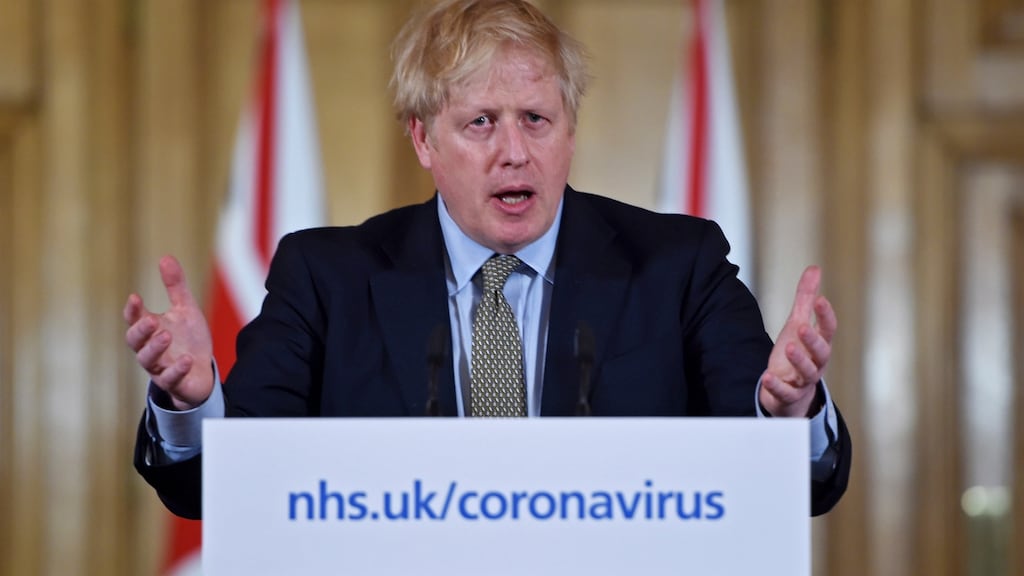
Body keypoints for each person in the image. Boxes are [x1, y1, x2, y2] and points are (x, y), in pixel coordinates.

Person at [126, 0, 850, 520]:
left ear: (569, 129)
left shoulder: (677, 267)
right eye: (480, 123)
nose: (514, 151)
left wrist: (787, 416)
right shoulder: (326, 279)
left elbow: (802, 487)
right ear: (423, 141)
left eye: (537, 119)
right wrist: (194, 407)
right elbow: (221, 491)